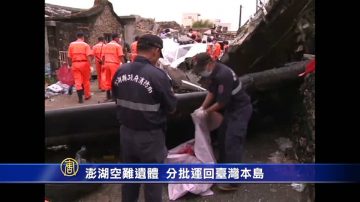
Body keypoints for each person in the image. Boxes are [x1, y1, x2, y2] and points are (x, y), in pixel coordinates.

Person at [112, 34, 177, 202]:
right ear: (156, 51)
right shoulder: (158, 75)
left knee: (129, 179)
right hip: (150, 138)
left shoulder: (120, 71)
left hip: (126, 134)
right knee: (153, 182)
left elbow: (116, 98)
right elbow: (172, 108)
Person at [192, 52, 252, 191]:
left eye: (202, 69)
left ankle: (233, 181)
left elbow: (222, 102)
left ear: (210, 63)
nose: (202, 73)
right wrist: (202, 107)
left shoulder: (223, 74)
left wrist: (205, 112)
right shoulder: (214, 73)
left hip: (240, 110)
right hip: (231, 110)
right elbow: (212, 92)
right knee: (222, 137)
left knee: (233, 142)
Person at [67, 31, 93, 103]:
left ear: (77, 37)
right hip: (84, 63)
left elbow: (69, 57)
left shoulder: (71, 44)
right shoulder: (85, 45)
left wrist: (70, 65)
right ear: (83, 37)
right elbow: (88, 56)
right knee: (86, 80)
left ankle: (80, 99)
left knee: (78, 81)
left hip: (75, 64)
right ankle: (87, 96)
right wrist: (90, 65)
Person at [102, 33, 124, 100]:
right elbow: (121, 56)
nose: (119, 39)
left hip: (106, 64)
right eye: (119, 38)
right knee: (114, 80)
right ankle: (114, 97)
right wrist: (125, 64)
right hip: (114, 64)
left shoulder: (106, 45)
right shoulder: (118, 46)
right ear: (115, 38)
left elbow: (103, 56)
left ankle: (108, 96)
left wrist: (103, 64)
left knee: (107, 80)